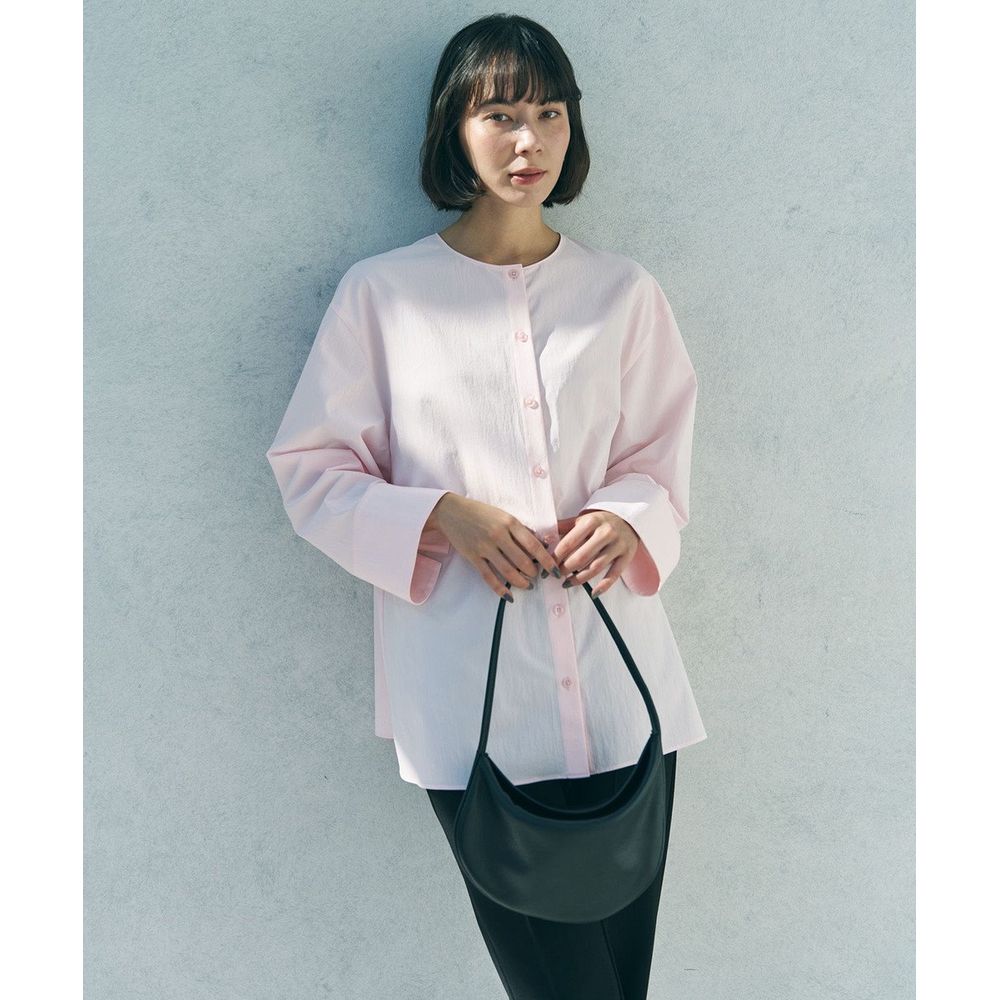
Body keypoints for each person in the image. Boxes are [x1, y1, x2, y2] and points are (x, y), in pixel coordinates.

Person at [265, 13, 707, 999]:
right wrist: (440, 516)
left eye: (549, 113)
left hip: (624, 699)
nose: (527, 140)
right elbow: (311, 468)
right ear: (453, 129)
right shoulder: (382, 297)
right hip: (472, 710)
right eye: (499, 115)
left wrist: (628, 516)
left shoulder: (623, 293)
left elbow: (659, 458)